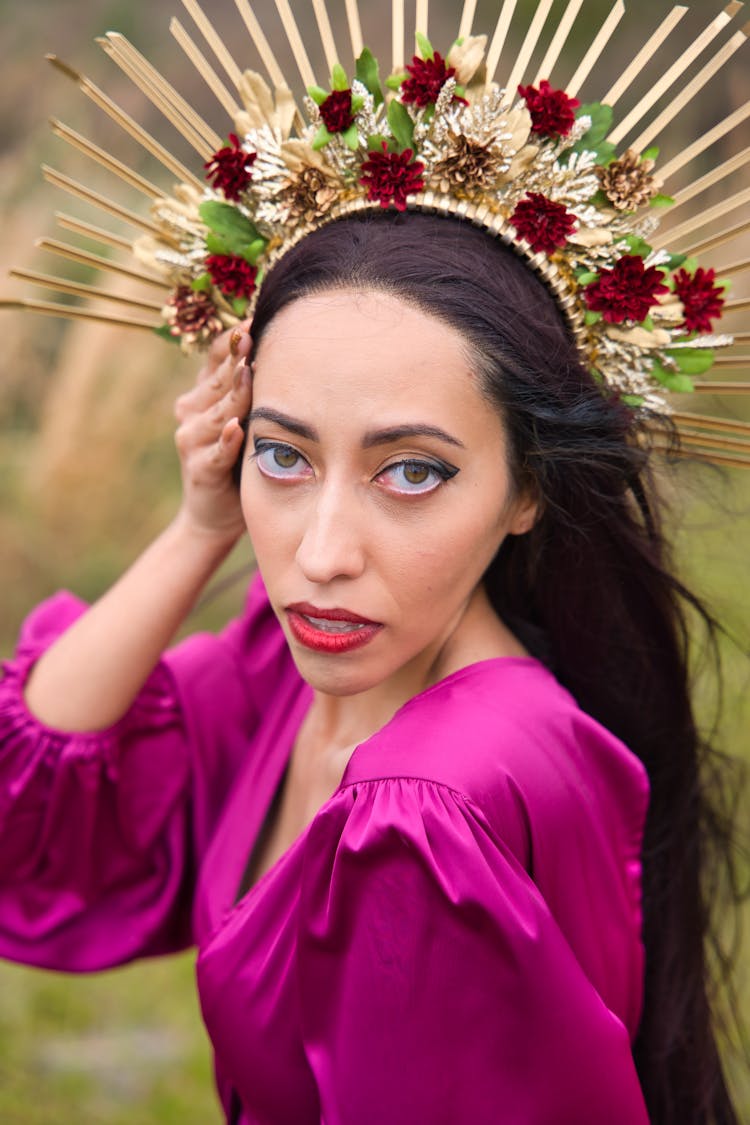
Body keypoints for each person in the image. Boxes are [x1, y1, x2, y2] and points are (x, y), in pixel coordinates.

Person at [0, 210, 742, 1124]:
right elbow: (30, 808)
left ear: (528, 489)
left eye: (412, 472)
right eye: (284, 454)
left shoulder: (427, 815)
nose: (322, 554)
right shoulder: (298, 669)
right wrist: (201, 524)